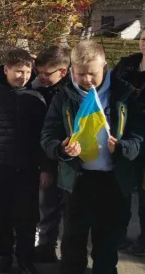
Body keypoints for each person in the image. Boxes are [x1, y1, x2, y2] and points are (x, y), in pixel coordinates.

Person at [41, 40, 144, 274]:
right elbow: (48, 134)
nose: (87, 80)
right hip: (78, 180)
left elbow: (140, 136)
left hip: (114, 182)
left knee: (107, 244)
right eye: (81, 74)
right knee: (73, 242)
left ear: (105, 67)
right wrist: (61, 148)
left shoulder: (125, 94)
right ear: (72, 71)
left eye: (92, 74)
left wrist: (123, 147)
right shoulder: (63, 97)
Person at [0, 49, 51, 274]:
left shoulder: (36, 98)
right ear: (6, 70)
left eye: (26, 72)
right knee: (1, 215)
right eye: (17, 71)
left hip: (28, 168)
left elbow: (44, 136)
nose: (22, 76)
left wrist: (45, 168)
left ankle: (25, 258)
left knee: (27, 216)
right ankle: (4, 255)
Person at [31, 44, 71, 263]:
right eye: (39, 73)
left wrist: (47, 167)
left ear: (63, 72)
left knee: (67, 208)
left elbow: (53, 132)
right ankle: (46, 245)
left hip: (65, 158)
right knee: (47, 205)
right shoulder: (40, 88)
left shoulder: (69, 94)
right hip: (46, 155)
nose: (42, 77)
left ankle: (68, 250)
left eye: (47, 73)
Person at [110, 31, 145, 256]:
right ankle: (118, 234)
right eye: (144, 39)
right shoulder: (126, 65)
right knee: (120, 188)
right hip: (125, 134)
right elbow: (110, 89)